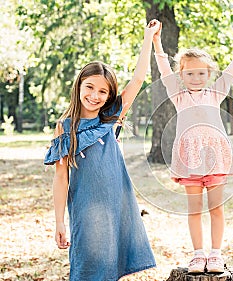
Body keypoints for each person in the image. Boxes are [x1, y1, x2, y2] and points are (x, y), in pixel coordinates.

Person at [44, 19, 161, 281]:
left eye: (103, 91)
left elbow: (139, 78)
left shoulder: (111, 118)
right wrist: (59, 221)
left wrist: (148, 38)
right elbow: (61, 178)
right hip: (85, 208)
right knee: (88, 267)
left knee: (113, 266)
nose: (95, 95)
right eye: (90, 87)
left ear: (109, 96)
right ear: (79, 86)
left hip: (117, 204)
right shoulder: (64, 128)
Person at [151, 23, 233, 273]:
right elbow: (163, 70)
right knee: (194, 210)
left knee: (216, 209)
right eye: (190, 74)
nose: (196, 78)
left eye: (201, 74)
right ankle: (197, 254)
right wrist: (157, 42)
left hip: (215, 158)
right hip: (190, 159)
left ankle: (215, 254)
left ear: (209, 74)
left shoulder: (215, 93)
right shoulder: (179, 96)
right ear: (181, 76)